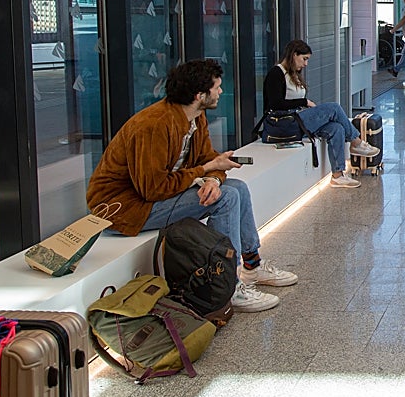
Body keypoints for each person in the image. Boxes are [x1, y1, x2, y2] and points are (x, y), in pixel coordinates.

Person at [86, 59, 296, 313]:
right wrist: (205, 172)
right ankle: (228, 286)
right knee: (227, 198)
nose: (220, 91)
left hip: (150, 197)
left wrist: (212, 178)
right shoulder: (154, 125)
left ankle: (252, 265)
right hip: (124, 209)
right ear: (200, 95)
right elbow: (152, 189)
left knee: (236, 188)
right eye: (217, 87)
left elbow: (211, 159)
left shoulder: (195, 117)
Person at [263, 39, 379, 189]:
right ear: (294, 55)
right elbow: (275, 104)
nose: (305, 64)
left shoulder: (293, 74)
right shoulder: (276, 73)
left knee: (337, 128)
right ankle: (356, 142)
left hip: (297, 119)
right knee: (333, 108)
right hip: (284, 122)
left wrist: (302, 104)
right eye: (304, 59)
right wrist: (303, 102)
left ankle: (337, 175)